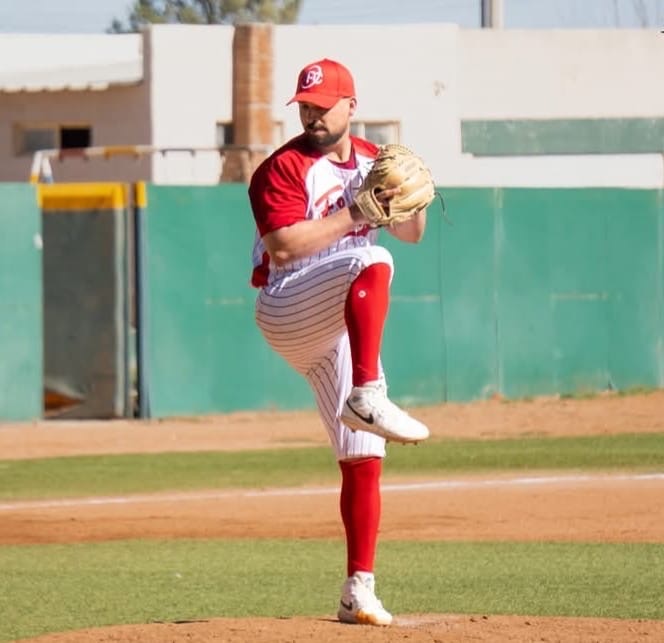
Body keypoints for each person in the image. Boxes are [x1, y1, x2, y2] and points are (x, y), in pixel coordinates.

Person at [247, 58, 431, 627]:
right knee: (372, 257)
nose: (313, 115)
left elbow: (411, 234)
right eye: (305, 106)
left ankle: (359, 590)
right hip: (288, 302)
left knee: (364, 451)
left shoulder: (374, 160)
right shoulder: (282, 168)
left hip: (341, 321)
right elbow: (282, 247)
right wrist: (356, 212)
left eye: (323, 106)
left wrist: (414, 199)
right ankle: (368, 392)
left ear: (351, 106)